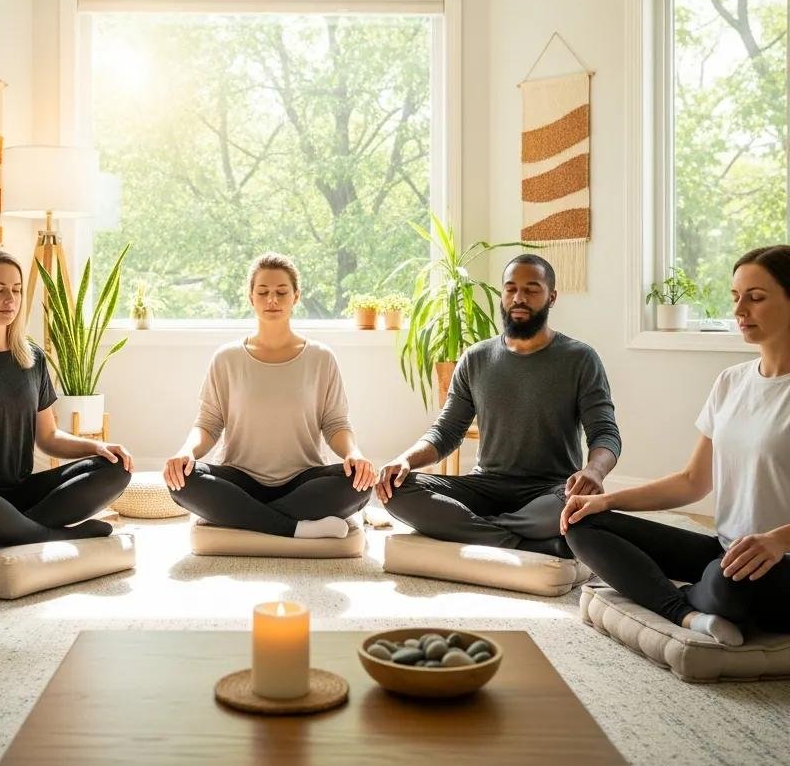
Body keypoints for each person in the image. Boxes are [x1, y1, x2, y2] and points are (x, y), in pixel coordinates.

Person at [562, 246, 790, 645]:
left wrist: (777, 540)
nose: (740, 310)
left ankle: (680, 597)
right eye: (736, 296)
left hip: (776, 564)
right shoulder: (731, 382)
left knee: (728, 582)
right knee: (582, 523)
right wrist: (605, 500)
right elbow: (692, 481)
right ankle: (686, 614)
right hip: (725, 551)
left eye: (756, 298)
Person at [377, 254, 621, 556]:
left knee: (576, 505)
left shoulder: (580, 359)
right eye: (510, 288)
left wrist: (594, 471)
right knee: (395, 489)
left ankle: (473, 528)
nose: (519, 298)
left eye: (531, 289)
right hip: (486, 486)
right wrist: (405, 460)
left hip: (550, 491)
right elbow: (446, 432)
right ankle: (524, 541)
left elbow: (605, 433)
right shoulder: (475, 358)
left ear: (552, 297)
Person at [0, 249, 132, 550]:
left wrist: (97, 447)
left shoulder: (32, 359)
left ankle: (14, 529)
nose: (10, 299)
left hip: (18, 492)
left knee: (116, 469)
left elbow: (49, 438)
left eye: (16, 290)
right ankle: (50, 534)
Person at [165, 253, 375, 538]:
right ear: (251, 297)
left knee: (361, 483)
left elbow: (335, 423)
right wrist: (186, 452)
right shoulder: (226, 358)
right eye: (263, 292)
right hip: (239, 480)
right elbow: (209, 423)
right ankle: (295, 527)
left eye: (281, 292)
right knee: (181, 480)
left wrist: (354, 454)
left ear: (296, 296)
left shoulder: (321, 358)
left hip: (303, 481)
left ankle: (241, 515)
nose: (272, 300)